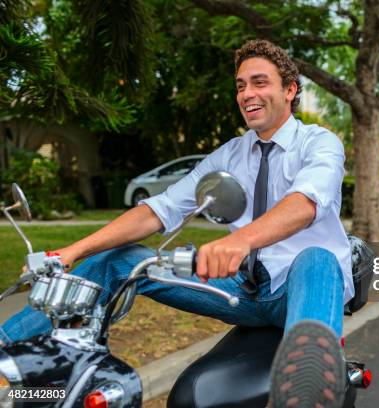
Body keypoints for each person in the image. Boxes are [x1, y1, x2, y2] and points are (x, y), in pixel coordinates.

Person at [0, 39, 352, 407]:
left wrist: (241, 240)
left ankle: (308, 387)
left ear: (290, 89)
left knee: (316, 258)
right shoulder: (231, 154)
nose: (247, 93)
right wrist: (71, 251)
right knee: (123, 260)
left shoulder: (319, 143)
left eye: (260, 82)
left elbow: (305, 204)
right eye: (241, 85)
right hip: (246, 290)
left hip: (301, 286)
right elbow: (161, 208)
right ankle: (7, 353)